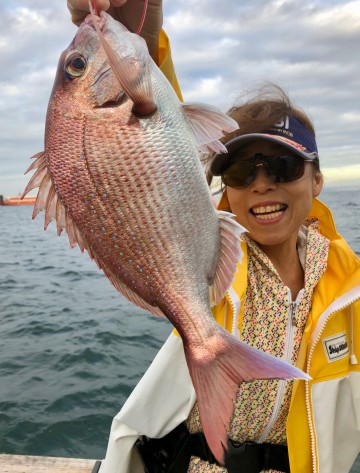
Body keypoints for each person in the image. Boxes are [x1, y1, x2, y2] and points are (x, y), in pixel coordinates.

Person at [67, 2, 360, 472]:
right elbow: (160, 152)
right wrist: (139, 27)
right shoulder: (208, 252)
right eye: (242, 169)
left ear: (317, 180)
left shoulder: (352, 287)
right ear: (224, 186)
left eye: (284, 166)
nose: (262, 184)